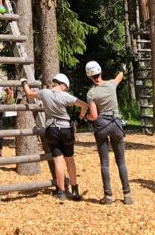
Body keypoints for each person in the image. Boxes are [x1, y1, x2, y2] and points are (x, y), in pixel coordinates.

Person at [20, 73, 90, 202]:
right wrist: (79, 119)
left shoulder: (44, 93)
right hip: (65, 129)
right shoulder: (66, 96)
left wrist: (24, 82)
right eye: (66, 87)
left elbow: (29, 93)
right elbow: (85, 105)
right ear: (63, 86)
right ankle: (74, 190)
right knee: (69, 159)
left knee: (58, 160)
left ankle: (61, 191)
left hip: (51, 130)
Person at [84, 61, 132, 205]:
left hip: (101, 127)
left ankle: (108, 196)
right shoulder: (111, 84)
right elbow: (120, 76)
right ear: (101, 71)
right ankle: (127, 195)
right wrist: (123, 68)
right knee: (121, 162)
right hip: (116, 125)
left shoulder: (91, 93)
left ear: (89, 76)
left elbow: (94, 116)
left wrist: (86, 117)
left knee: (105, 163)